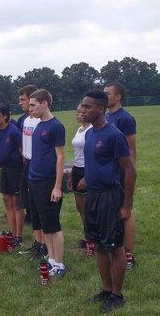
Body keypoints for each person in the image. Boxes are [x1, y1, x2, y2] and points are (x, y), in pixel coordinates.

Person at [81, 91, 136, 313]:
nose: (83, 110)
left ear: (101, 109)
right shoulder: (89, 134)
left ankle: (117, 294)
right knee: (99, 246)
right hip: (92, 196)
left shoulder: (114, 135)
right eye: (83, 106)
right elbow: (95, 160)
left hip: (110, 197)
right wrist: (87, 177)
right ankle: (106, 289)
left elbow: (130, 171)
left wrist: (126, 206)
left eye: (87, 107)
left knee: (115, 248)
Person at [27, 89, 66, 278]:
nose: (30, 108)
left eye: (33, 105)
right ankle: (51, 259)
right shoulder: (38, 125)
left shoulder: (56, 126)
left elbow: (60, 157)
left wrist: (57, 186)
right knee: (44, 223)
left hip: (48, 182)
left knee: (53, 223)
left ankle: (59, 263)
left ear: (45, 103)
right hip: (34, 180)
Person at [104, 82, 138, 270]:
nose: (105, 96)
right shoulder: (107, 116)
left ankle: (129, 255)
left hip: (122, 173)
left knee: (126, 213)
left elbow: (131, 150)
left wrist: (130, 173)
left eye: (108, 94)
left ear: (118, 97)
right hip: (109, 174)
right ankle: (115, 248)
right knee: (114, 212)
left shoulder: (125, 119)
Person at [16, 85, 47, 259]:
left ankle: (45, 245)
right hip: (27, 165)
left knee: (40, 206)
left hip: (39, 167)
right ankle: (37, 242)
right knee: (31, 206)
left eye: (23, 99)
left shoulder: (41, 121)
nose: (20, 103)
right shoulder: (24, 120)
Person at [0, 104, 24, 247]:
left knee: (16, 202)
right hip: (4, 169)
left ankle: (18, 236)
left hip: (16, 170)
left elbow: (22, 150)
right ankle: (11, 231)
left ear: (5, 116)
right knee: (7, 201)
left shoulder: (14, 131)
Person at [68, 103, 93, 256]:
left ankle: (94, 240)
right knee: (80, 207)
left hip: (87, 170)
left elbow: (91, 155)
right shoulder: (80, 129)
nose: (76, 114)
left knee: (90, 208)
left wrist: (87, 176)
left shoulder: (91, 130)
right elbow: (77, 153)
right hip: (77, 169)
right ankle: (88, 236)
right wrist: (71, 173)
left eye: (79, 112)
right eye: (76, 111)